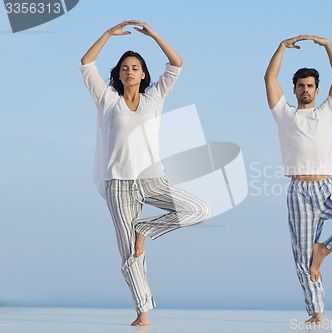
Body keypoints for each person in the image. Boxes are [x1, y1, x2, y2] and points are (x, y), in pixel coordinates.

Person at [80, 20, 209, 326]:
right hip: (119, 185)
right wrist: (108, 34)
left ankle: (147, 229)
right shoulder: (107, 100)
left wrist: (153, 35)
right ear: (118, 73)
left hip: (153, 180)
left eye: (135, 67)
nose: (129, 71)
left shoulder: (155, 98)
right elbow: (86, 63)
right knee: (129, 254)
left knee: (198, 209)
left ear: (143, 73)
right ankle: (143, 310)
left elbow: (177, 63)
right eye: (124, 67)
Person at [264, 35, 332, 324]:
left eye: (310, 85)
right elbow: (269, 77)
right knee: (302, 257)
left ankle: (324, 249)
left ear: (316, 89)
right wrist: (281, 48)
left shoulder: (329, 111)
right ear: (294, 89)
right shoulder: (283, 114)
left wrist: (326, 45)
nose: (305, 89)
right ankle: (317, 312)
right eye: (300, 85)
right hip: (299, 191)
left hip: (327, 188)